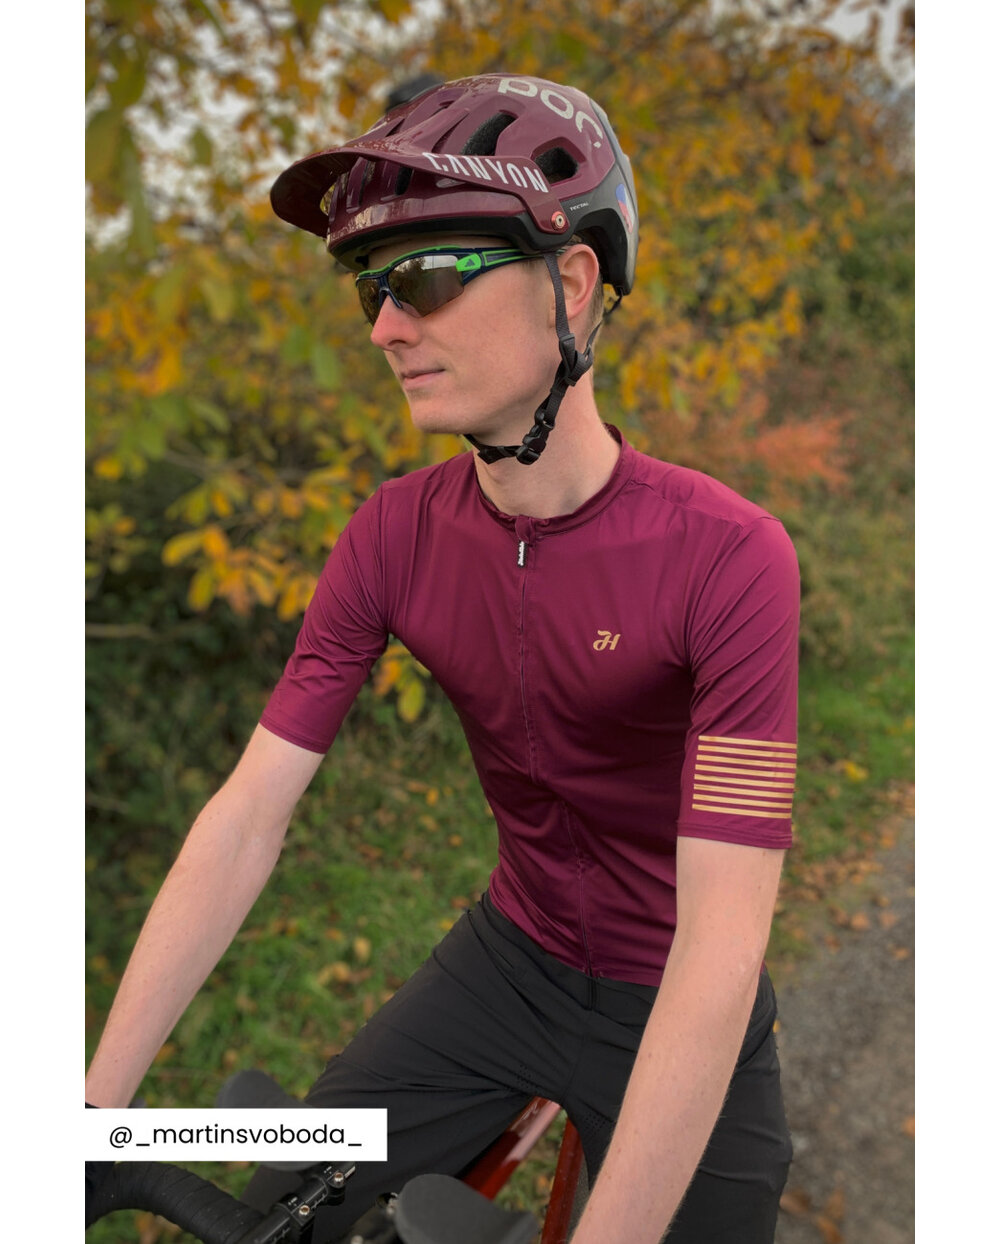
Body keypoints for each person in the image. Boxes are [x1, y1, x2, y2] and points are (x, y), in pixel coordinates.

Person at [86, 74, 797, 1243]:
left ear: (572, 282)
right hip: (506, 964)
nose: (383, 328)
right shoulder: (392, 534)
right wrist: (95, 1114)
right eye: (372, 288)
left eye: (423, 278)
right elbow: (248, 816)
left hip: (679, 993)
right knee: (279, 1214)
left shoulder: (726, 556)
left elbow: (722, 940)